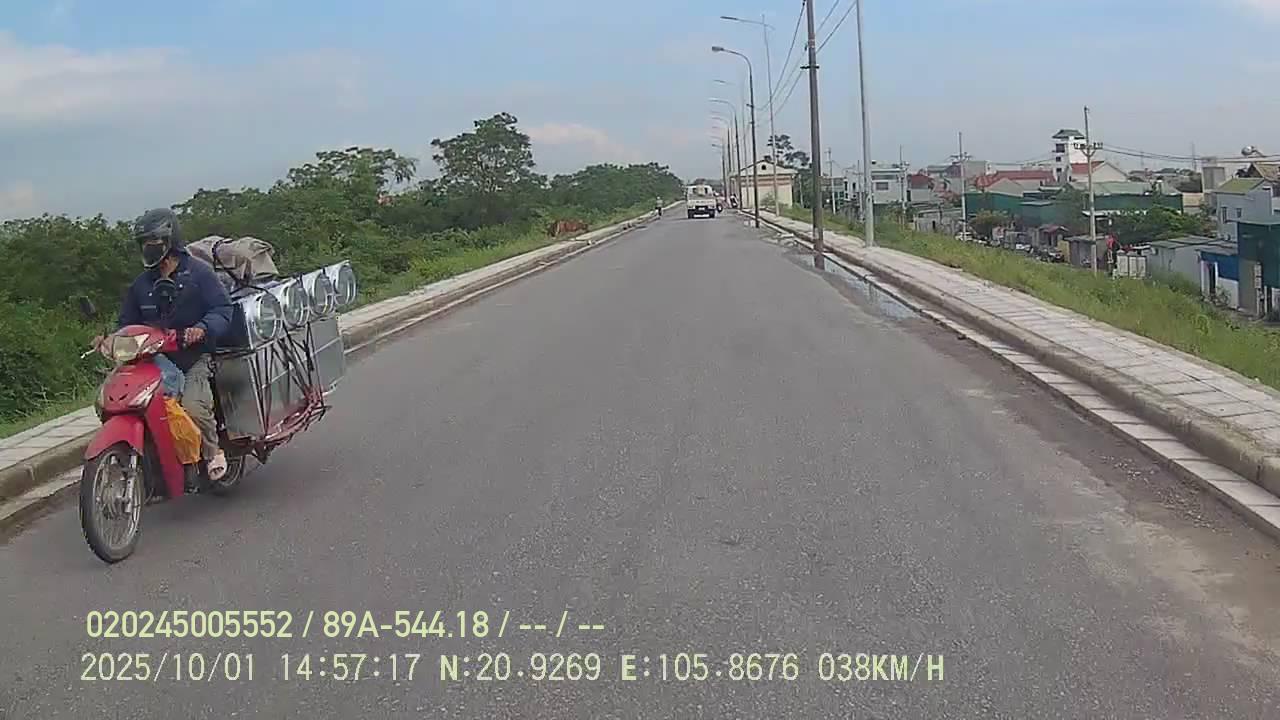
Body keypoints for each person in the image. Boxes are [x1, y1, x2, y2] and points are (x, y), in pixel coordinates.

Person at [114, 208, 234, 483]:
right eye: (144, 243)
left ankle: (213, 452)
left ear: (170, 241)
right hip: (155, 360)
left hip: (194, 358)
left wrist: (202, 329)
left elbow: (222, 308)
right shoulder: (141, 284)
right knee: (124, 401)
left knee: (193, 406)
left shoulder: (199, 273)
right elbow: (126, 322)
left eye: (153, 241)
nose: (148, 247)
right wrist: (112, 340)